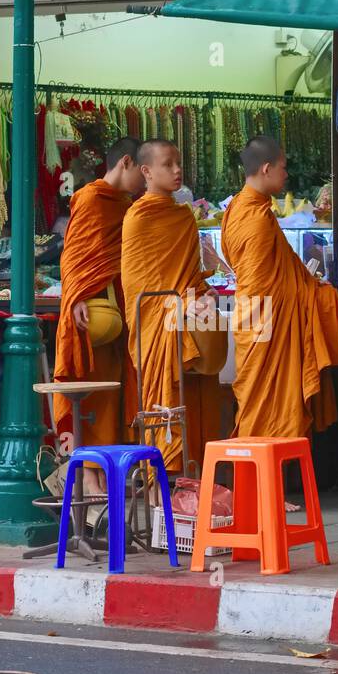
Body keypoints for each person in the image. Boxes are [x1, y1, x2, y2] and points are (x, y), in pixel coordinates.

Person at [222, 135, 338, 439]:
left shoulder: (237, 208)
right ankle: (258, 479)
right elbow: (265, 291)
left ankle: (262, 478)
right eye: (283, 167)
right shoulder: (257, 218)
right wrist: (312, 293)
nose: (286, 174)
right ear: (266, 168)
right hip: (266, 327)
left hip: (253, 322)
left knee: (257, 405)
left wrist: (305, 285)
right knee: (263, 410)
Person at [120, 139, 222, 474]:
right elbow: (138, 286)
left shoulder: (183, 217)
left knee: (196, 403)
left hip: (189, 321)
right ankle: (159, 492)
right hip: (157, 325)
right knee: (163, 405)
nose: (178, 171)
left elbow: (189, 275)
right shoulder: (138, 218)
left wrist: (203, 294)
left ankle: (195, 481)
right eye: (168, 164)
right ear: (146, 171)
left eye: (179, 163)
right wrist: (174, 305)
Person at [52, 136, 143, 494]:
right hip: (89, 309)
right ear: (125, 163)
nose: (146, 179)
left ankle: (104, 469)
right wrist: (75, 295)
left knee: (109, 394)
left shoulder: (124, 204)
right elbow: (74, 255)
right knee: (86, 387)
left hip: (117, 308)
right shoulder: (90, 199)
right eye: (143, 170)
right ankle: (87, 473)